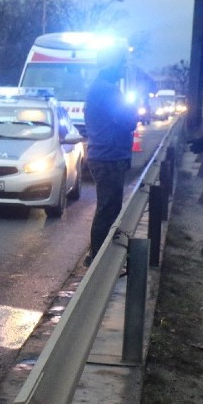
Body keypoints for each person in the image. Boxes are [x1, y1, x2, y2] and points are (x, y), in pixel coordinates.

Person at [83, 48, 139, 264]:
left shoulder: (98, 88)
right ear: (112, 66)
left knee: (108, 207)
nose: (124, 69)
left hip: (104, 155)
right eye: (121, 64)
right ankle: (98, 257)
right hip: (109, 157)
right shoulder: (108, 91)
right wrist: (132, 108)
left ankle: (99, 255)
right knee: (108, 209)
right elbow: (129, 121)